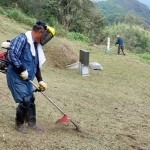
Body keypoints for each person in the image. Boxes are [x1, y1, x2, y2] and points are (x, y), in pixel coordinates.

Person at [6, 20, 55, 133]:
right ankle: (19, 124)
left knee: (31, 99)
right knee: (25, 99)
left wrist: (41, 81)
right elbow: (12, 54)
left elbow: (36, 65)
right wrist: (22, 69)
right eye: (45, 35)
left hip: (27, 78)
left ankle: (32, 124)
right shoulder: (22, 39)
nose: (45, 39)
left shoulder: (36, 46)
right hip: (15, 75)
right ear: (39, 32)